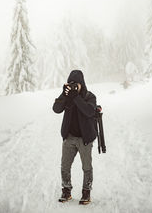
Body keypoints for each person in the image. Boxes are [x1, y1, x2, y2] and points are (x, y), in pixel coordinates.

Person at [52, 70, 97, 205]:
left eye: (75, 84)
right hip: (69, 137)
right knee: (65, 166)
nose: (73, 86)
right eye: (71, 83)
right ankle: (66, 191)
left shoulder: (90, 96)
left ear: (81, 84)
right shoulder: (67, 96)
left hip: (85, 139)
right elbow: (56, 109)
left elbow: (89, 111)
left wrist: (76, 97)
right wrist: (64, 94)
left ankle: (86, 193)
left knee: (86, 167)